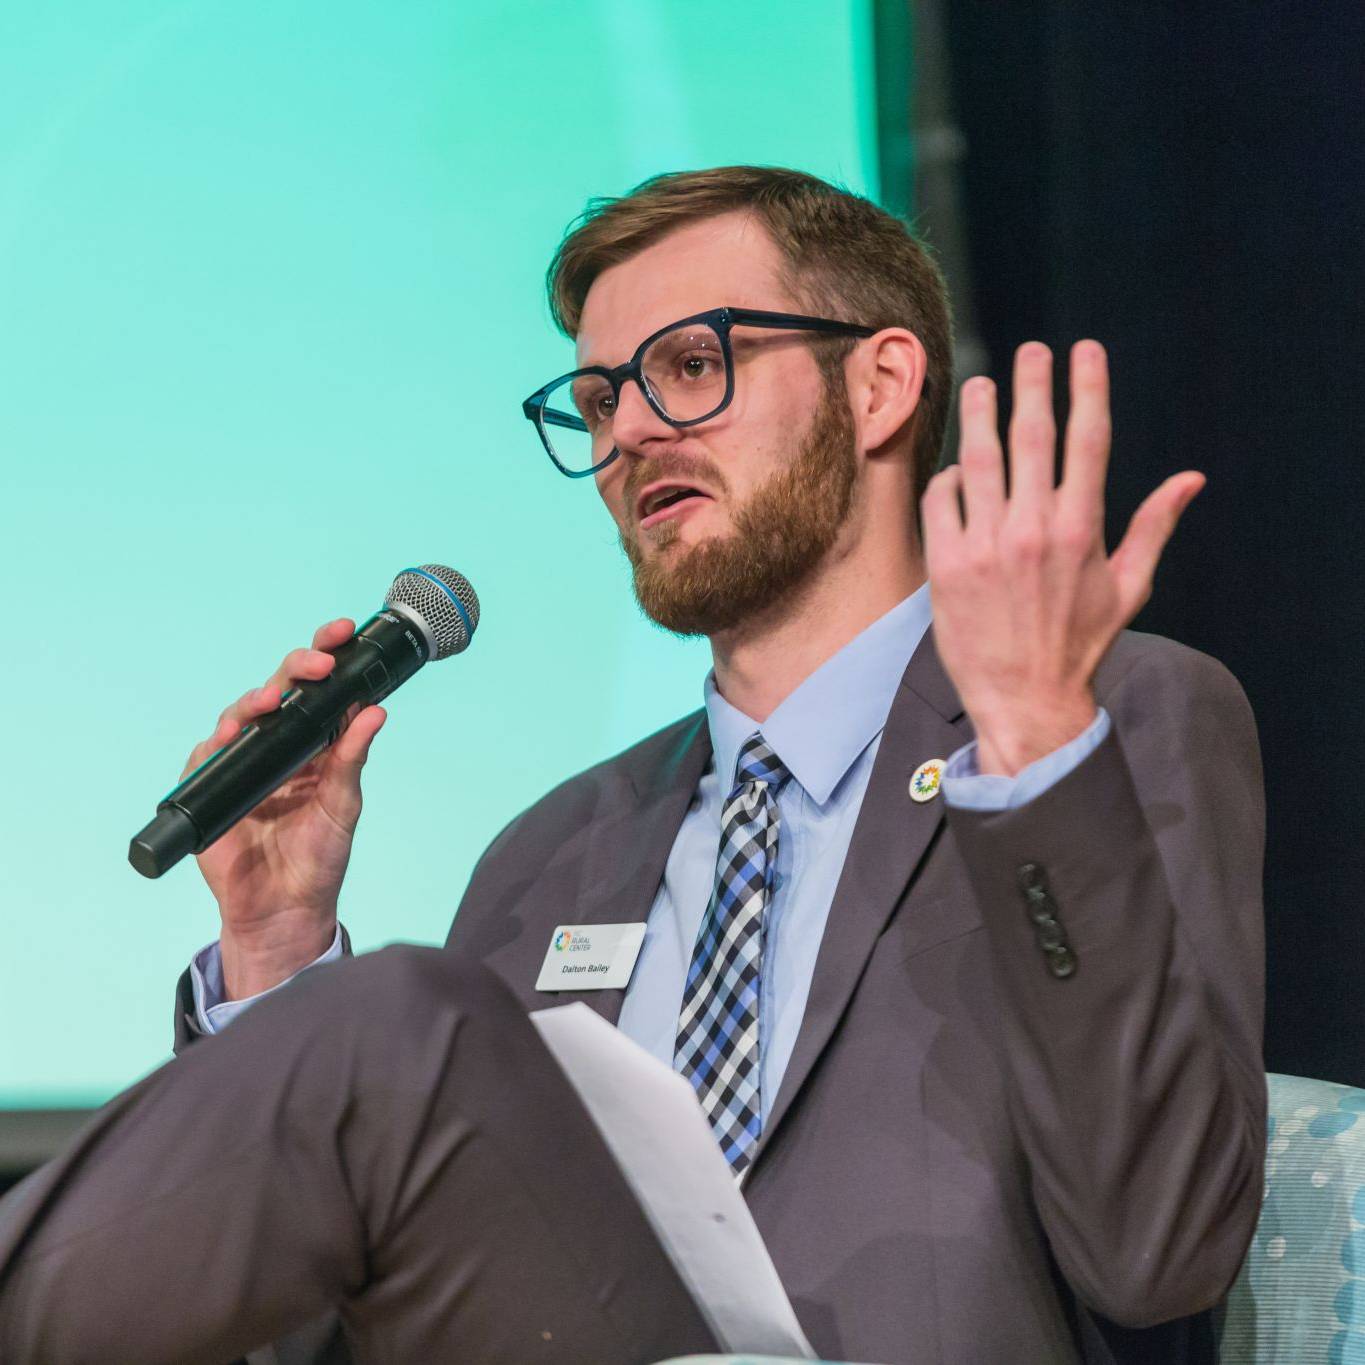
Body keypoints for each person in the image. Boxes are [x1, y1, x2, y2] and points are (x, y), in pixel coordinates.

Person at [0, 167, 1265, 1365]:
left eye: (692, 366)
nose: (633, 434)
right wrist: (276, 952)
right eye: (600, 400)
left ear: (880, 387)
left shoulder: (1109, 722)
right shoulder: (554, 847)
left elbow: (1160, 1252)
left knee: (395, 1020)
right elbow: (295, 1337)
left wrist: (1040, 760)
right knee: (372, 1019)